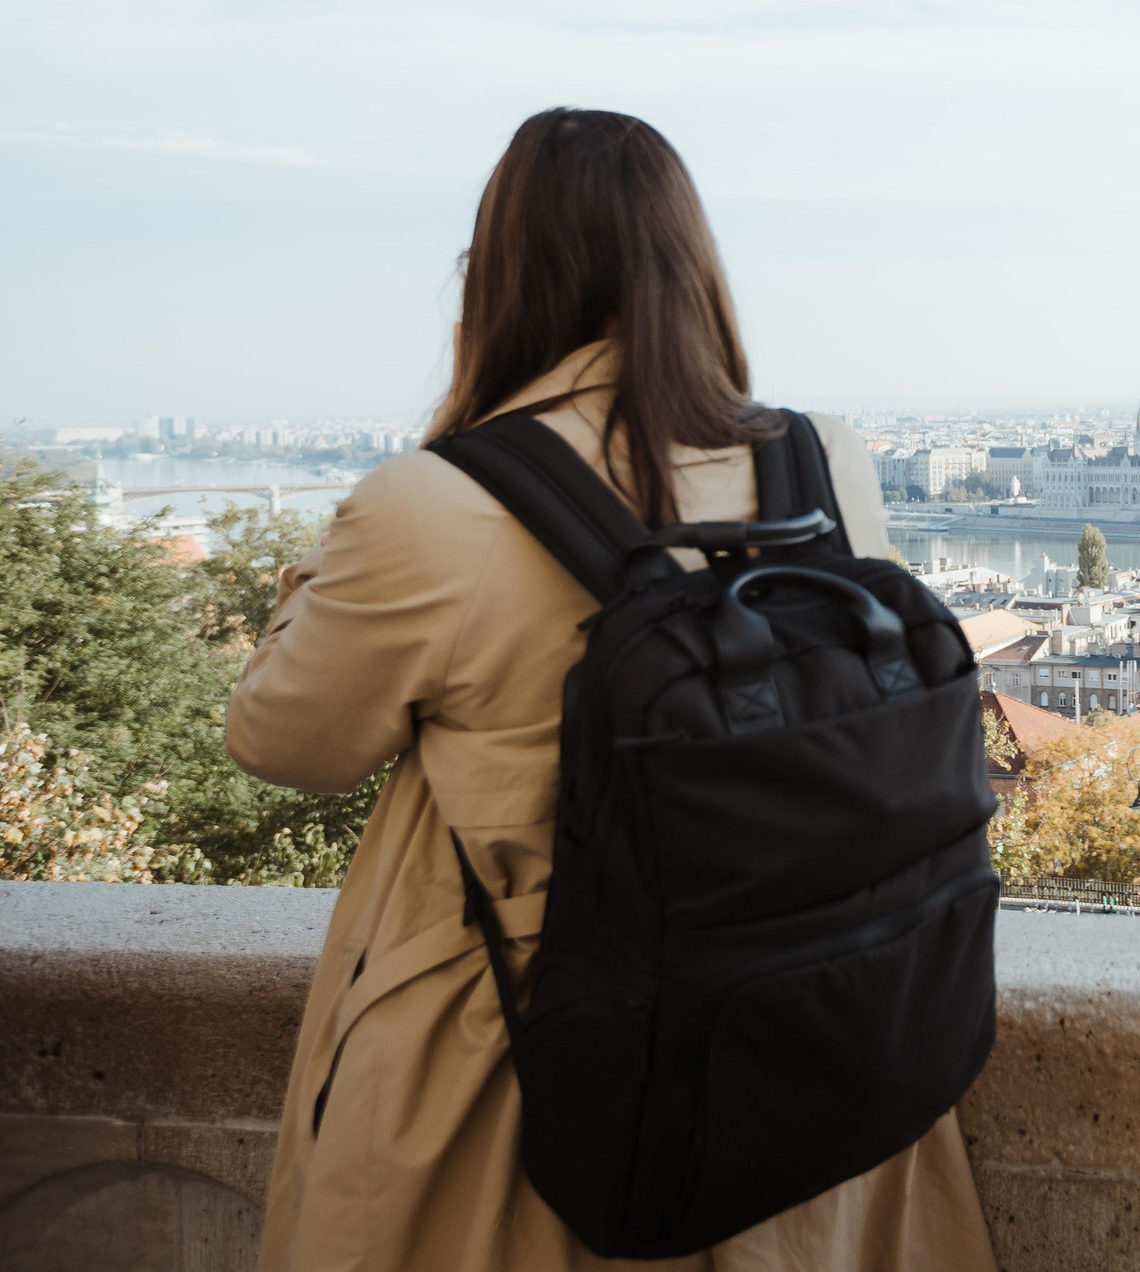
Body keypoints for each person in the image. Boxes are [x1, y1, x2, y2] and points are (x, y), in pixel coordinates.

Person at [228, 109, 998, 1272]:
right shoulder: (823, 460)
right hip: (803, 1054)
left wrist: (327, 562)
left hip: (522, 1080)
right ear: (695, 275)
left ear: (492, 283)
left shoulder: (430, 504)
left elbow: (285, 741)